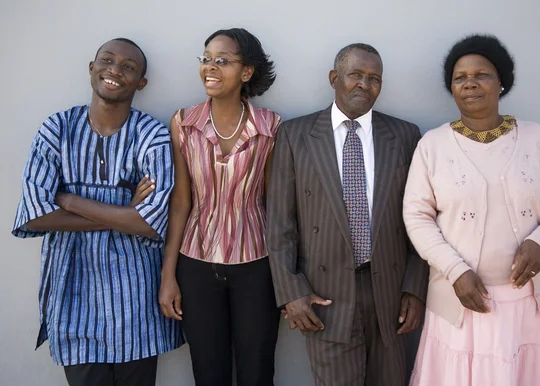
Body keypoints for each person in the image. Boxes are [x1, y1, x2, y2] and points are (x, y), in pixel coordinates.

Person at [403, 34, 540, 386]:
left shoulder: (538, 139)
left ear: (501, 82)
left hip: (530, 307)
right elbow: (416, 215)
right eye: (460, 77)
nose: (469, 83)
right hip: (460, 304)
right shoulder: (433, 146)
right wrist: (454, 270)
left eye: (481, 74)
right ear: (451, 88)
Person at [11, 38, 183, 386]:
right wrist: (124, 213)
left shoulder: (152, 135)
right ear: (92, 68)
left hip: (137, 298)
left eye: (129, 67)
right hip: (72, 293)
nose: (115, 71)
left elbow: (150, 223)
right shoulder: (56, 129)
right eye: (107, 60)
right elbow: (35, 215)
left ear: (141, 83)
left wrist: (69, 200)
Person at [267, 43, 429, 386]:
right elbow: (280, 223)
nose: (364, 85)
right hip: (326, 294)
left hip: (390, 290)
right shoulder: (296, 135)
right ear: (334, 78)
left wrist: (415, 288)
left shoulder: (404, 135)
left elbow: (422, 218)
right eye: (355, 74)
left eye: (374, 79)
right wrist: (291, 292)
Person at [158, 28, 281, 386]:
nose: (210, 67)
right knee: (208, 372)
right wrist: (168, 276)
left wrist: (288, 280)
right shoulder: (183, 123)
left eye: (222, 61)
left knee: (257, 370)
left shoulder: (271, 128)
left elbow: (275, 206)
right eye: (206, 59)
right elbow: (181, 202)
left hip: (257, 267)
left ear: (246, 72)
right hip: (195, 265)